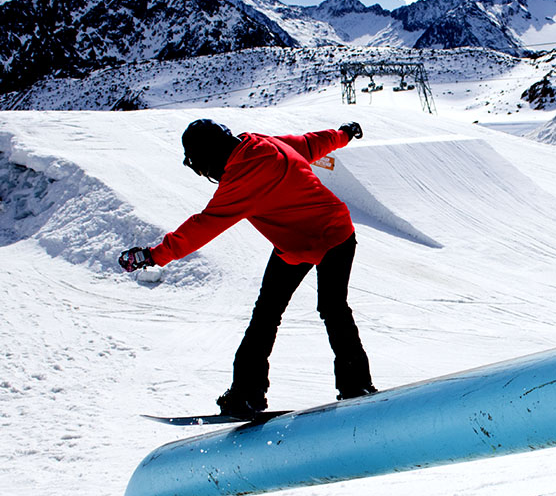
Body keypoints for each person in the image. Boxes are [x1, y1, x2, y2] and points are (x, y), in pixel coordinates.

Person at [119, 119, 375, 418]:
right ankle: (352, 385)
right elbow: (309, 144)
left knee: (310, 310)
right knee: (304, 310)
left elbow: (202, 227)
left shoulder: (241, 181)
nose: (206, 174)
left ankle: (251, 394)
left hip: (331, 237)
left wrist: (153, 255)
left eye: (200, 167)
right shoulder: (261, 143)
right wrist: (343, 134)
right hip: (299, 242)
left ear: (207, 158)